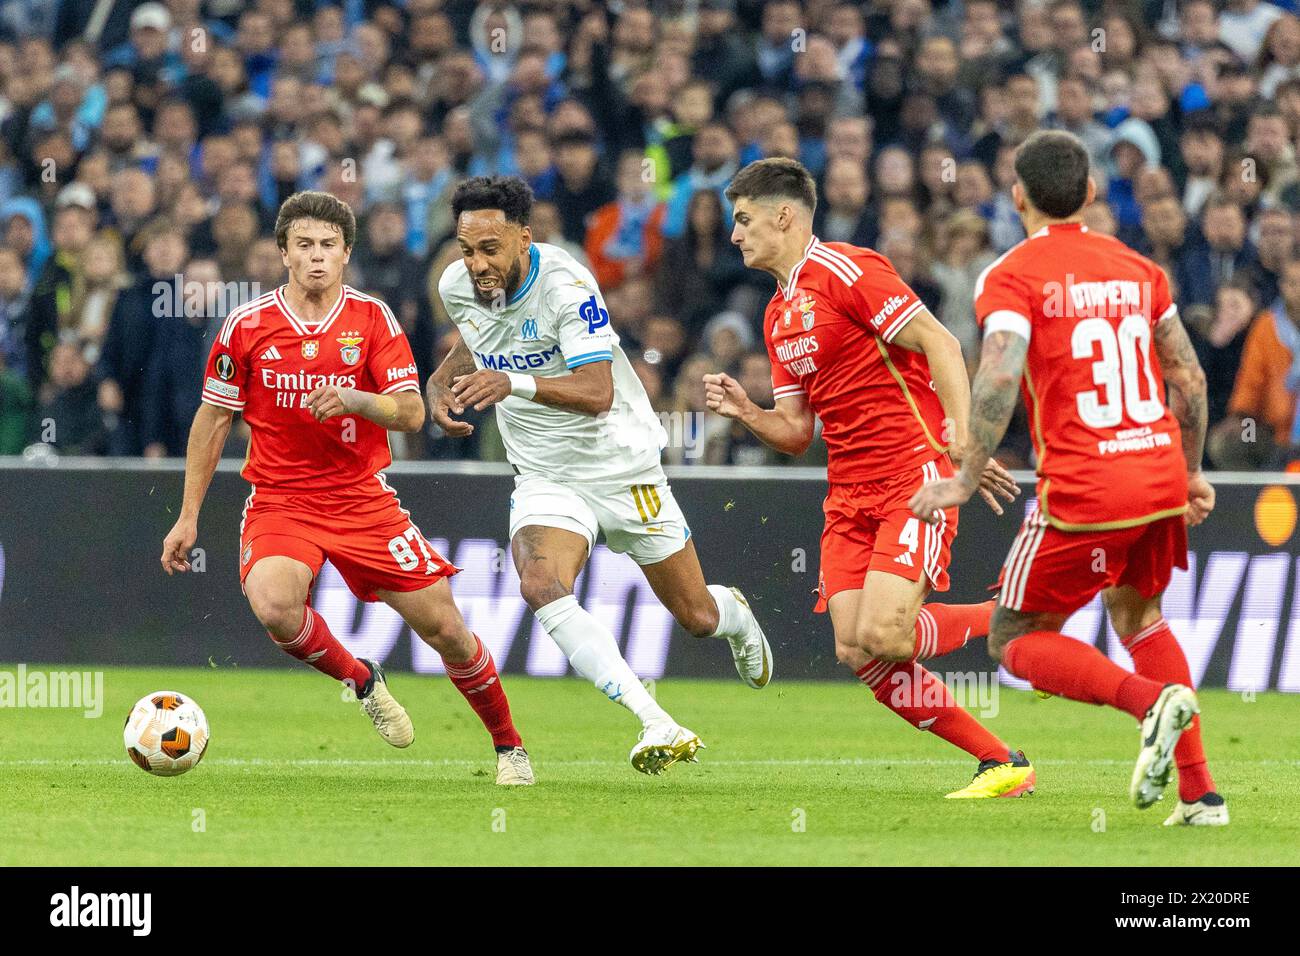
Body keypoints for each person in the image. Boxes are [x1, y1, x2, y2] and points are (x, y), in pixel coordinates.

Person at [159, 190, 533, 787]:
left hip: (362, 498)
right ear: (282, 252)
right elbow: (212, 420)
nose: (316, 257)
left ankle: (510, 748)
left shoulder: (372, 320)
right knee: (276, 606)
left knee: (447, 632)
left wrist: (356, 399)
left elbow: (412, 413)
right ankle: (361, 680)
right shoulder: (246, 325)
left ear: (346, 254)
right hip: (281, 499)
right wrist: (188, 516)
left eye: (328, 246)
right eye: (303, 245)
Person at [910, 130, 1227, 826]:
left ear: (1017, 194)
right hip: (1155, 471)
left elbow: (997, 374)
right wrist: (1192, 470)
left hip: (1087, 485)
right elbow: (1190, 377)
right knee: (1138, 614)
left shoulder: (1012, 276)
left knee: (1013, 636)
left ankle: (1149, 706)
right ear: (1090, 193)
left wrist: (964, 478)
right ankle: (1202, 797)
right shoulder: (1138, 269)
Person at [707, 157, 1032, 799]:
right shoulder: (778, 315)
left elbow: (939, 341)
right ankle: (1002, 763)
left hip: (912, 478)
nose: (735, 234)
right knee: (858, 652)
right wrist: (748, 412)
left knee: (885, 633)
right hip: (847, 493)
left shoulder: (847, 270)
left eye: (743, 220)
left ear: (784, 216)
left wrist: (962, 440)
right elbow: (798, 430)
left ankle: (1007, 617)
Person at [428, 175, 773, 776]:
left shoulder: (566, 284)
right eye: (466, 248)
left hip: (621, 465)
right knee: (539, 584)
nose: (476, 264)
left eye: (490, 249)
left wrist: (513, 383)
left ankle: (735, 616)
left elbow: (597, 390)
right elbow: (482, 338)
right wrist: (440, 377)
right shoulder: (457, 286)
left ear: (524, 238)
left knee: (696, 618)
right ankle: (655, 720)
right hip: (544, 473)